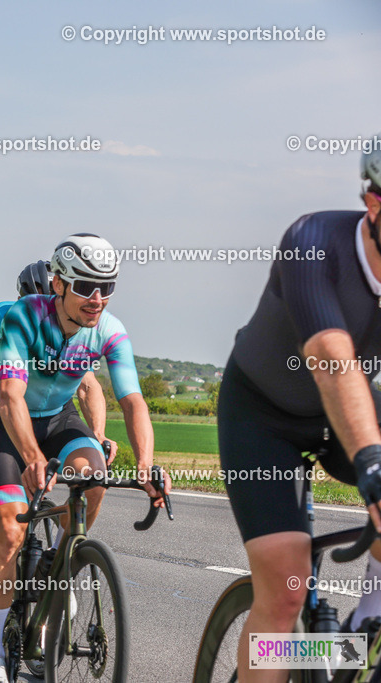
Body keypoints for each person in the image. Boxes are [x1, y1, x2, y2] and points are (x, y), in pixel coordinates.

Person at [218, 147, 381, 681]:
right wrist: (373, 465)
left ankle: (365, 628)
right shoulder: (314, 242)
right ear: (373, 204)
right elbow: (332, 360)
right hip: (263, 414)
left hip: (347, 415)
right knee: (286, 589)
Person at [0, 235, 169, 683]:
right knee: (9, 525)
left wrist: (145, 464)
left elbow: (133, 401)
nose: (96, 298)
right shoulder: (23, 317)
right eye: (85, 286)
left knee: (95, 478)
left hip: (59, 418)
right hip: (6, 419)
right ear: (59, 283)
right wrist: (30, 457)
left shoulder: (109, 330)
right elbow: (9, 395)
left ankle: (60, 560)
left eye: (107, 287)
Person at [0, 261, 115, 575]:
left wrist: (97, 434)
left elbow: (88, 387)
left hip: (39, 409)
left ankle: (53, 567)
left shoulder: (71, 327)